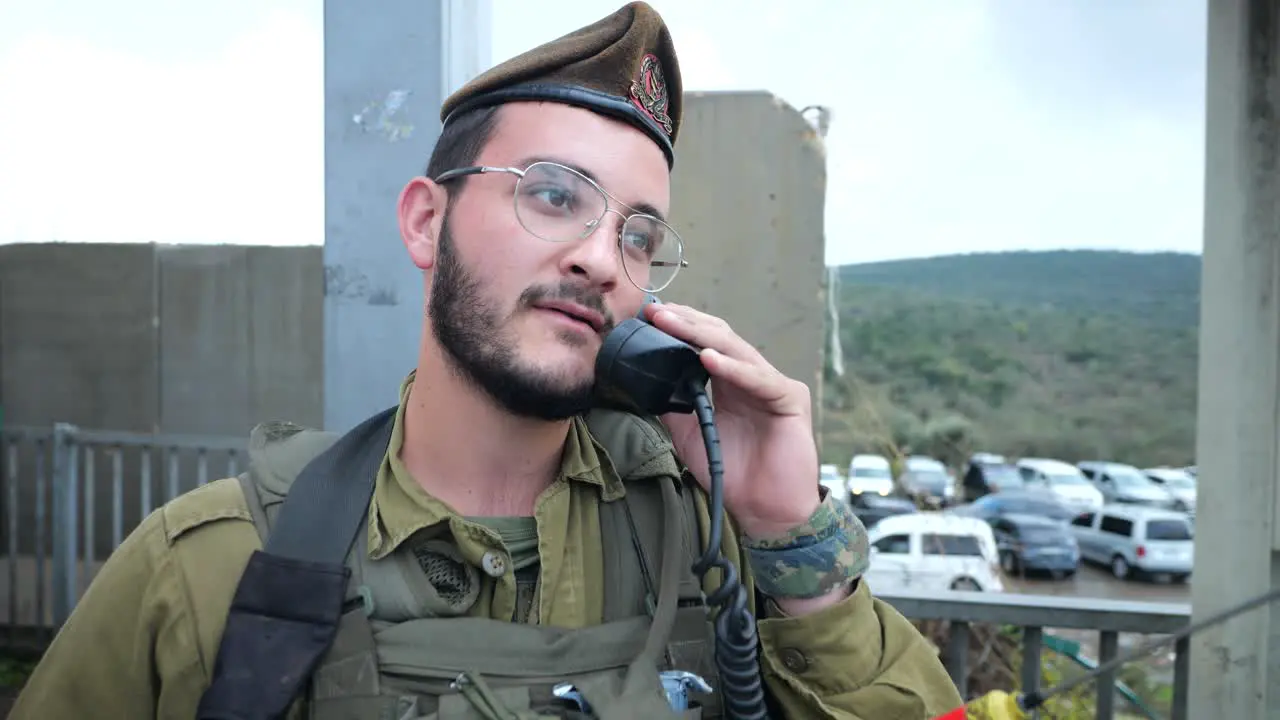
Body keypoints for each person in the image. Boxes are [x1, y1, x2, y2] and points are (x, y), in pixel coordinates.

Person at [9, 3, 963, 718]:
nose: (600, 256)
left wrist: (793, 542)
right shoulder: (215, 568)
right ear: (428, 222)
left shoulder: (712, 550)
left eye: (640, 236)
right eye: (554, 195)